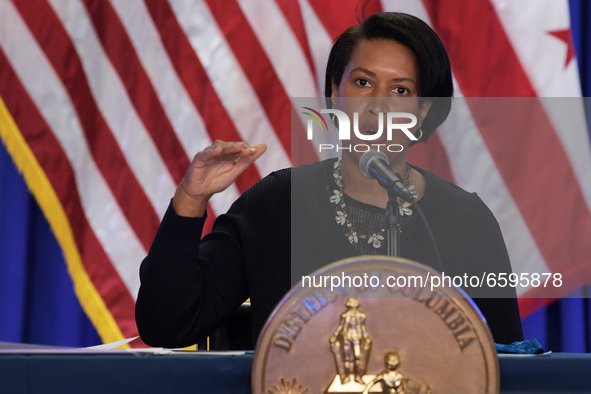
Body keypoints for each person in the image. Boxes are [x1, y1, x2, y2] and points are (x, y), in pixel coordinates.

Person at [135, 12, 523, 349]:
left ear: (423, 113)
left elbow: (505, 361)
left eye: (400, 90)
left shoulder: (465, 220)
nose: (378, 105)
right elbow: (166, 325)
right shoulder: (275, 205)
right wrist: (191, 199)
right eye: (363, 83)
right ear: (335, 94)